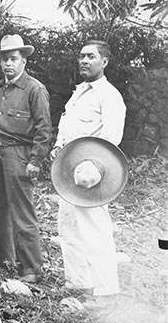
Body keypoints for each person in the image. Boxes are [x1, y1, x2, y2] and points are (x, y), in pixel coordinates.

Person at [50, 40, 126, 299]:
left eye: (91, 56)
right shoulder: (79, 92)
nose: (84, 60)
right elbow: (67, 126)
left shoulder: (109, 95)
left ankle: (107, 292)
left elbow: (111, 137)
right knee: (68, 227)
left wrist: (92, 166)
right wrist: (58, 146)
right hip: (68, 167)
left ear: (104, 61)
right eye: (81, 56)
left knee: (95, 230)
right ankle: (79, 283)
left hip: (92, 171)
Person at [0, 34, 51, 282]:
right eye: (4, 59)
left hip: (19, 153)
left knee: (22, 210)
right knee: (1, 207)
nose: (8, 64)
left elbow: (44, 129)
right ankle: (3, 260)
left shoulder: (34, 89)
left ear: (24, 60)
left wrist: (35, 160)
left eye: (13, 58)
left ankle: (31, 268)